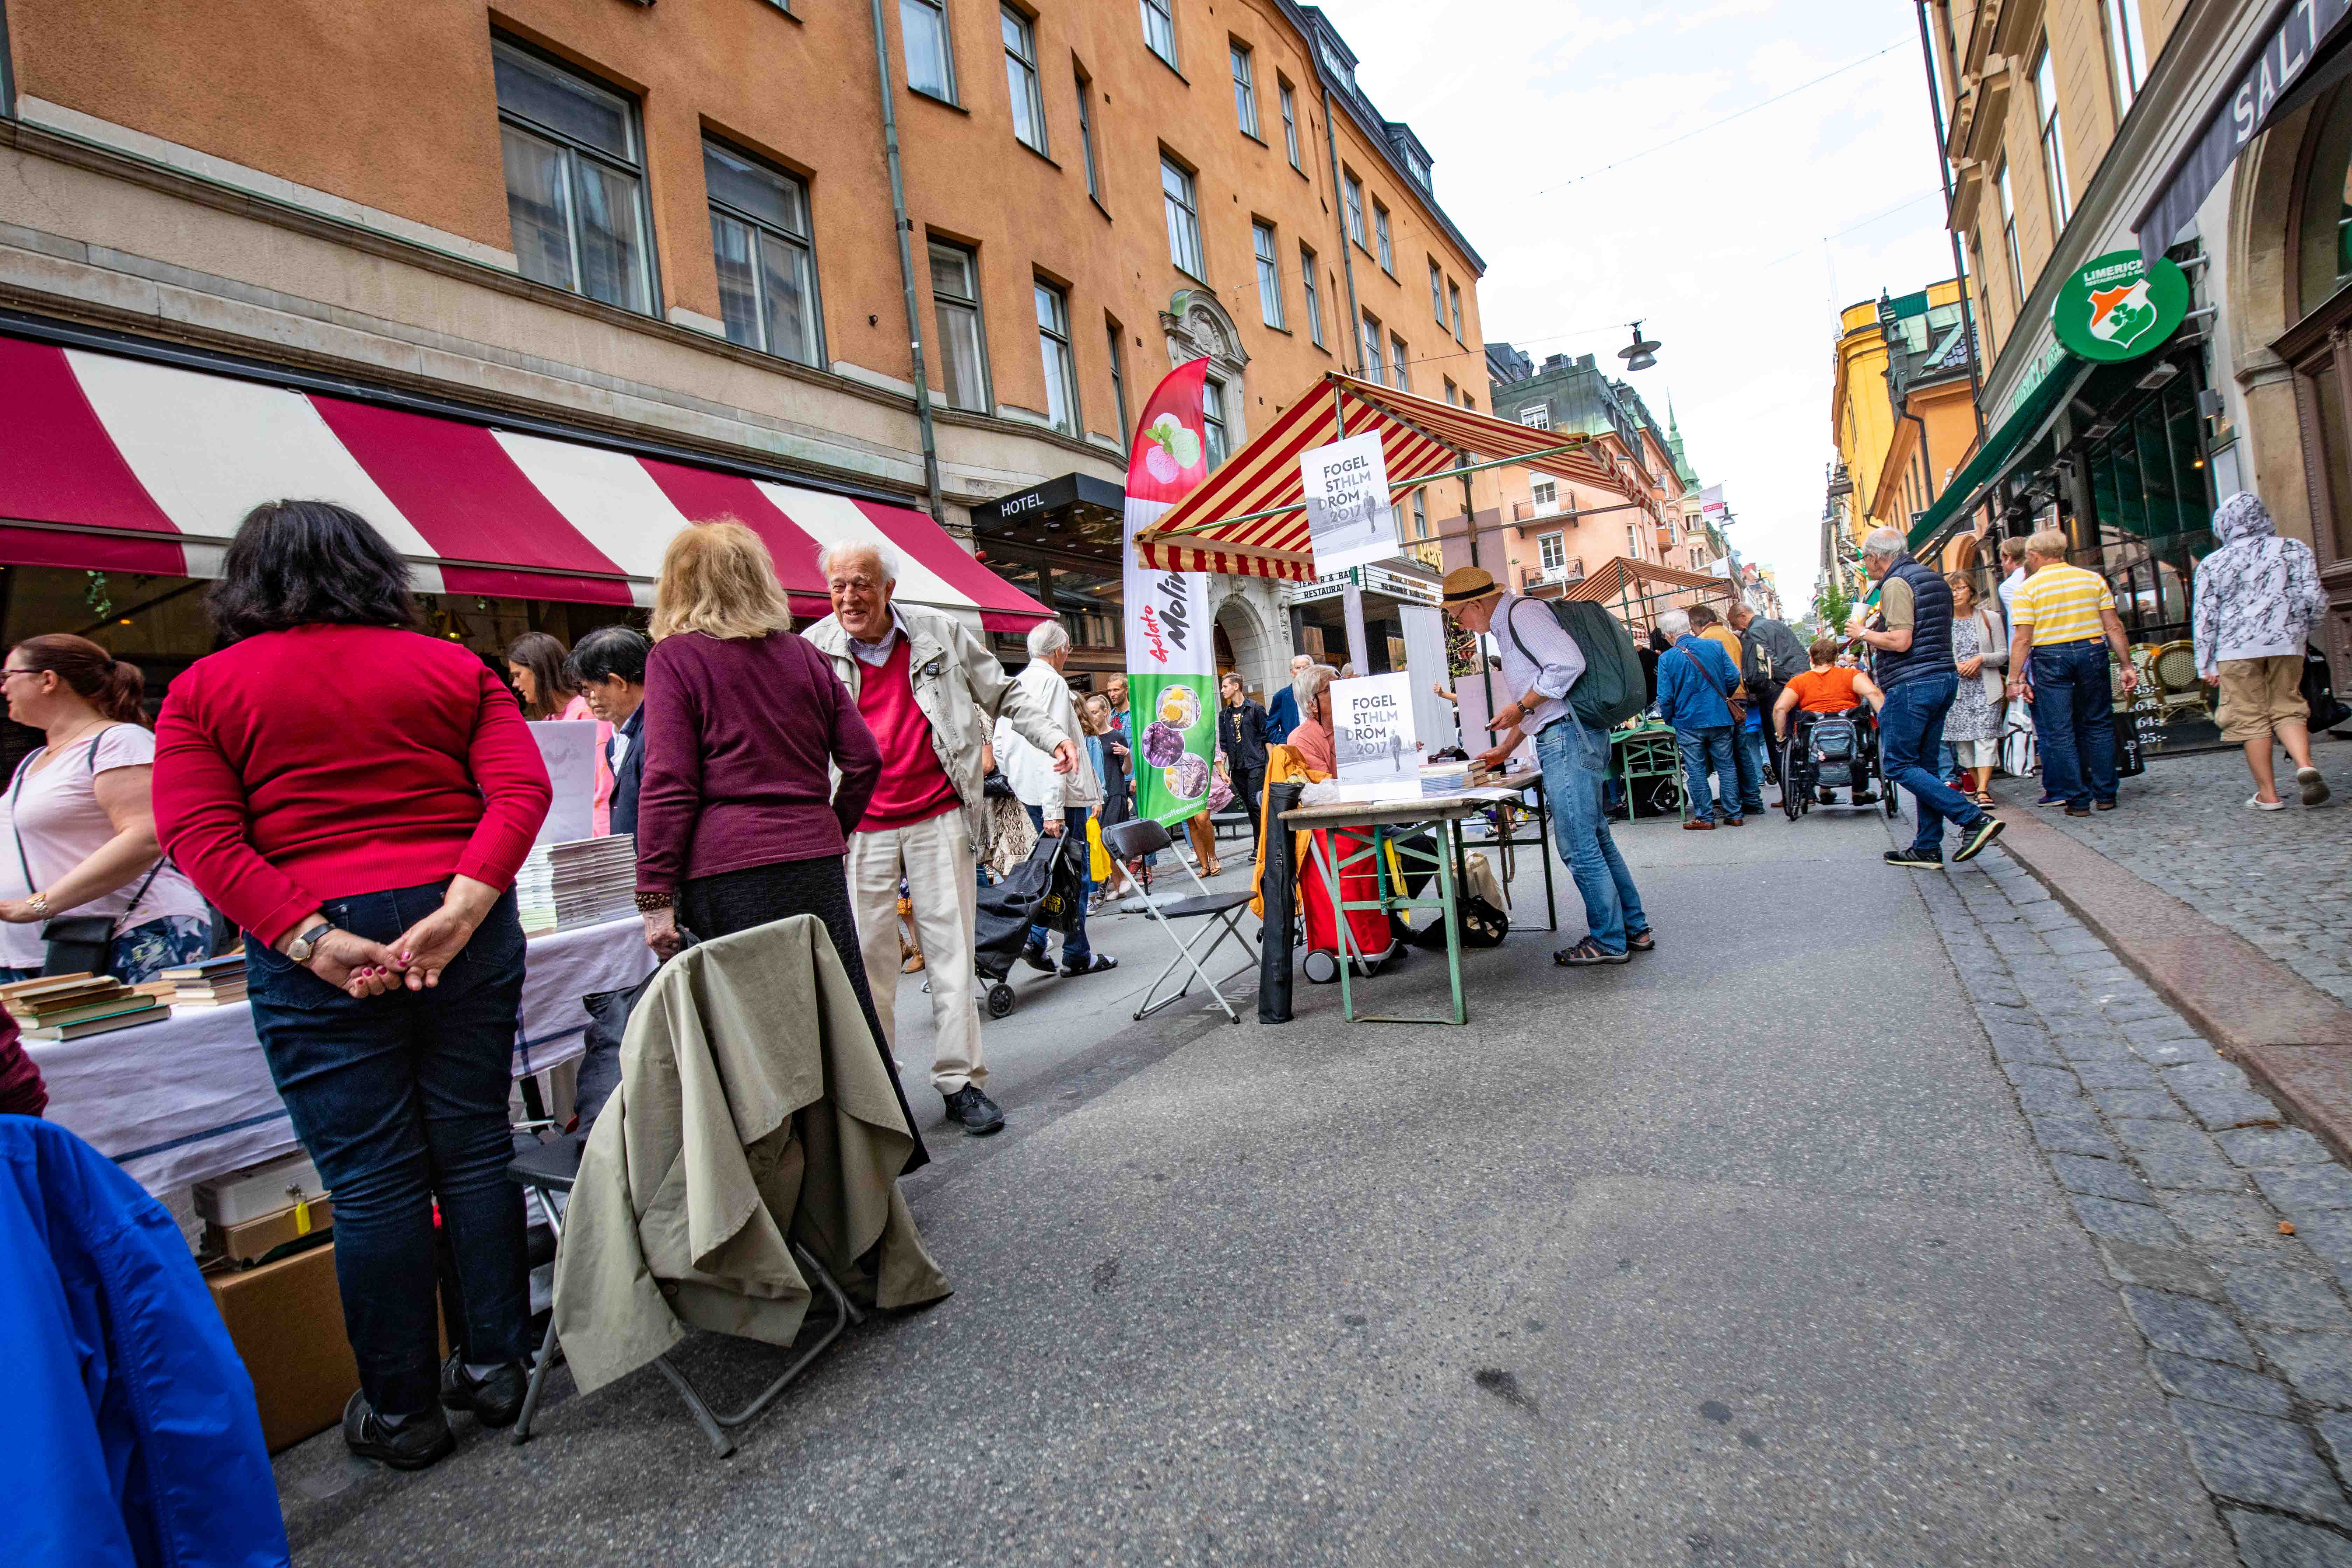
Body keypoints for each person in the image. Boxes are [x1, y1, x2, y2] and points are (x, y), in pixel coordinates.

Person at [153, 498, 553, 1470]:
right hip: (459, 918)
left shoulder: (202, 691)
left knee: (371, 1179)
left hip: (313, 931)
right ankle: (499, 1366)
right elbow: (521, 789)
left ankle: (402, 1409)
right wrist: (462, 908)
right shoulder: (455, 668)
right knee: (474, 1144)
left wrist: (312, 939)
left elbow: (199, 834)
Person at [633, 523, 930, 1169]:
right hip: (810, 860)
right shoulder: (804, 656)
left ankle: (779, 1177)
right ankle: (866, 1165)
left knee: (753, 1037)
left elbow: (669, 782)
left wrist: (654, 894)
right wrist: (832, 827)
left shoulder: (676, 659)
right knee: (835, 1015)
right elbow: (864, 759)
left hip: (727, 872)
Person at [804, 541, 1076, 1135]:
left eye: (861, 584)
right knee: (867, 965)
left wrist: (1052, 736)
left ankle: (960, 1082)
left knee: (952, 956)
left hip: (938, 814)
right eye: (838, 586)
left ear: (888, 588)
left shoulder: (938, 633)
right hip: (859, 826)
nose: (848, 597)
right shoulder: (813, 649)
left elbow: (1003, 693)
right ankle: (878, 1093)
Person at [1443, 567, 1650, 966]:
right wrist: (1507, 747)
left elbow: (1567, 665)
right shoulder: (1511, 621)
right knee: (1595, 838)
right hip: (1572, 733)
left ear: (1475, 604)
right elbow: (1543, 699)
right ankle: (1633, 928)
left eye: (1458, 616)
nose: (1460, 625)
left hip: (1568, 737)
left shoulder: (1522, 614)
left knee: (1579, 845)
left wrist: (1519, 707)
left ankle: (1610, 941)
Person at [0, 636, 211, 983]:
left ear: (48, 680)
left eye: (8, 675)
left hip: (130, 934)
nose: (4, 687)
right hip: (51, 948)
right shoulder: (32, 762)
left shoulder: (118, 741)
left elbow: (146, 836)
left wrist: (38, 905)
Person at [1856, 526, 2006, 867]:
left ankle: (1972, 818)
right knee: (1925, 767)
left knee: (1898, 763)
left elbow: (1902, 641)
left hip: (1912, 682)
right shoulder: (1934, 579)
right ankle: (1927, 846)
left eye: (1865, 559)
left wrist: (1863, 633)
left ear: (1877, 556)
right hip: (1942, 678)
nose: (1865, 565)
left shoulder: (1895, 583)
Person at [2192, 492, 2331, 811]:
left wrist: (2206, 664)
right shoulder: (2294, 548)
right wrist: (2304, 629)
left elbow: (2205, 617)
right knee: (2289, 706)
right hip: (2287, 642)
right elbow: (2315, 597)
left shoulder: (2213, 563)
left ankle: (2269, 796)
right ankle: (2305, 767)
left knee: (2249, 718)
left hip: (2235, 648)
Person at [993, 623, 1115, 977]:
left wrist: (1021, 783)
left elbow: (1001, 745)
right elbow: (1056, 748)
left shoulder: (1017, 683)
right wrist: (1053, 808)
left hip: (1034, 791)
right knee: (1072, 872)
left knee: (1052, 869)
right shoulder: (1054, 683)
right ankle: (1073, 952)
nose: (1068, 655)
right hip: (1059, 795)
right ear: (1060, 650)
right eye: (1069, 649)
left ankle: (1038, 938)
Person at [2002, 528, 2138, 817]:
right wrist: (2127, 665)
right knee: (2098, 723)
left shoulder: (2028, 589)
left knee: (2060, 730)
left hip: (2050, 656)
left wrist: (2015, 679)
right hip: (2092, 651)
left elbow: (2023, 639)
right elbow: (2113, 626)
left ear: (2034, 555)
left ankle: (2077, 800)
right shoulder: (2092, 579)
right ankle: (2106, 794)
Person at [506, 630, 611, 834]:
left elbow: (604, 784)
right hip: (567, 833)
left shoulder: (587, 713)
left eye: (518, 675)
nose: (515, 684)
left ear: (538, 669)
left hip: (595, 839)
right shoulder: (552, 719)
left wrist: (600, 839)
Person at [1652, 608, 1746, 830]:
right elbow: (1733, 676)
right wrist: (1722, 697)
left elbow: (1665, 697)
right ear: (1688, 627)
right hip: (1720, 716)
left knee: (1696, 770)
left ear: (1669, 635)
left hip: (1688, 721)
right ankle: (1735, 815)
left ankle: (1705, 818)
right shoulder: (1714, 646)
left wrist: (1670, 718)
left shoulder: (1667, 658)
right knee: (1727, 767)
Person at [568, 625, 649, 839]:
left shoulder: (658, 730)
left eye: (591, 688)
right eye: (584, 689)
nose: (589, 698)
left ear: (619, 682)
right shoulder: (615, 742)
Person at [1686, 603, 1762, 820]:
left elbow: (1723, 675)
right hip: (1740, 699)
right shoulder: (1731, 636)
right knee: (1741, 753)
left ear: (1695, 624)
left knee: (1726, 759)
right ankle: (1752, 799)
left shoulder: (1704, 640)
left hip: (1723, 701)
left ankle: (1736, 803)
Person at [1940, 573, 2008, 807]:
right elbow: (1938, 657)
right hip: (1957, 692)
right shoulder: (1943, 623)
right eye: (1952, 590)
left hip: (1986, 688)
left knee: (1986, 738)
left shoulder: (1990, 618)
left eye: (1960, 588)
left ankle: (1983, 789)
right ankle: (1979, 786)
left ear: (1971, 591)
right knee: (1964, 744)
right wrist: (1957, 666)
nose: (1956, 594)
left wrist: (1981, 659)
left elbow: (2003, 654)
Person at [1218, 672, 1271, 859]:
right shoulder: (1225, 714)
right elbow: (1224, 744)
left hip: (1256, 763)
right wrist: (1222, 768)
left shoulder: (1255, 709)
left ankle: (1260, 847)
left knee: (1255, 803)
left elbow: (1266, 736)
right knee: (1251, 806)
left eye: (1225, 686)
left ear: (1236, 687)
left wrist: (1272, 762)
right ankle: (1264, 843)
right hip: (1237, 767)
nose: (1222, 690)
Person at [1286, 663, 1339, 775]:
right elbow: (1325, 784)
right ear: (1313, 705)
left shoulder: (1354, 722)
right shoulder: (1301, 739)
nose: (1340, 690)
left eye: (1339, 683)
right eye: (1329, 689)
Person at [1266, 653, 1311, 741]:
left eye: (1306, 668)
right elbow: (1271, 728)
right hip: (1295, 746)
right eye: (1298, 668)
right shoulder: (1282, 696)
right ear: (1292, 673)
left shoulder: (1319, 693)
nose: (1302, 671)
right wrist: (1287, 742)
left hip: (1319, 745)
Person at [1996, 535, 2030, 623]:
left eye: (2002, 560)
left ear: (2009, 558)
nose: (2002, 565)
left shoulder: (2007, 587)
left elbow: (2017, 620)